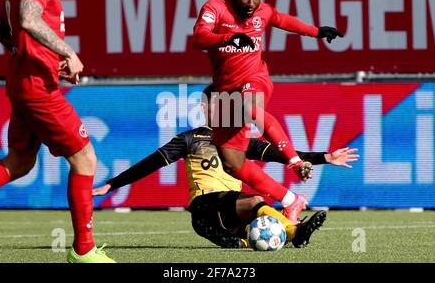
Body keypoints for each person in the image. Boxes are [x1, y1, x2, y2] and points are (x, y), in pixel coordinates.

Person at [93, 86, 359, 248]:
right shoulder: (189, 138)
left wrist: (326, 157)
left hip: (233, 214)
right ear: (205, 107)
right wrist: (112, 184)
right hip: (204, 210)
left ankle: (286, 233)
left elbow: (284, 154)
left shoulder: (239, 141)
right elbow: (149, 164)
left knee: (256, 212)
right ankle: (293, 230)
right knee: (254, 198)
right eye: (217, 104)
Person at [192, 0, 343, 224]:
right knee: (232, 162)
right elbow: (199, 37)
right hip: (227, 92)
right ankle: (290, 201)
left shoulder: (264, 10)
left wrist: (317, 32)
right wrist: (229, 37)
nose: (251, 3)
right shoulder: (215, 7)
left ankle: (295, 162)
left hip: (255, 79)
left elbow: (284, 20)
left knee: (251, 106)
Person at [0, 0, 115, 263]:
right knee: (85, 159)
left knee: (18, 163)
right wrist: (67, 53)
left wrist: (41, 58)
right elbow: (28, 19)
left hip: (21, 81)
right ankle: (83, 250)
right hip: (37, 89)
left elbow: (2, 33)